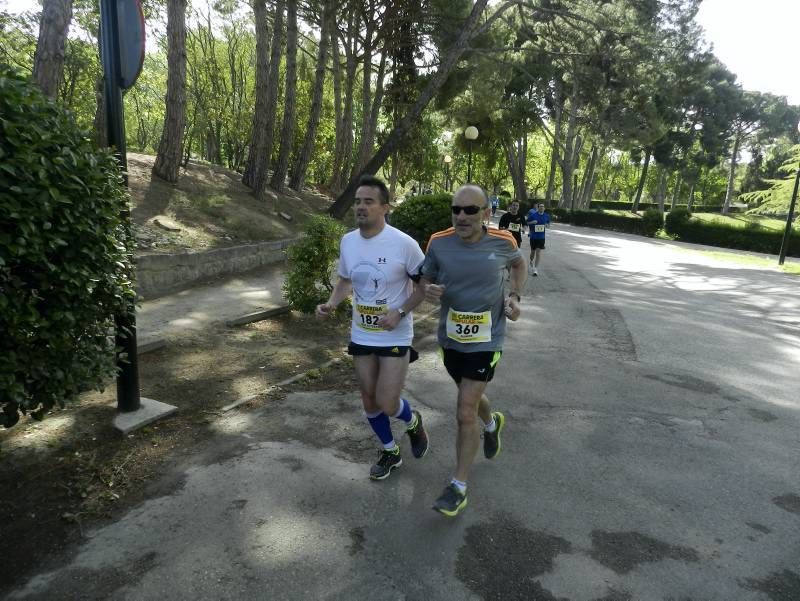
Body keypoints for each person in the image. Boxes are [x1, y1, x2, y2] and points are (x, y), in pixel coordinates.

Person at [419, 184, 527, 517]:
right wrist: (429, 291)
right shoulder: (439, 242)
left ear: (486, 213)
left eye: (470, 210)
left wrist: (515, 297)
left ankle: (458, 487)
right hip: (451, 339)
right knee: (472, 400)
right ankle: (492, 422)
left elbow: (519, 265)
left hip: (487, 339)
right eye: (456, 209)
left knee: (464, 411)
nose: (462, 216)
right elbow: (424, 280)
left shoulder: (504, 242)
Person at [316, 175, 429, 481]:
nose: (360, 207)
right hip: (362, 332)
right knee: (368, 398)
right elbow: (345, 280)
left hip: (395, 332)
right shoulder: (348, 241)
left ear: (385, 207)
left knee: (388, 401)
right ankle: (390, 450)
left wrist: (400, 311)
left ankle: (413, 420)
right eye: (357, 201)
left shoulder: (404, 244)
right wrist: (331, 303)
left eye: (368, 201)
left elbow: (423, 288)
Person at [526, 202, 550, 276]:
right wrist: (532, 222)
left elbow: (548, 224)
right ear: (538, 208)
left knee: (538, 252)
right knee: (532, 253)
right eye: (540, 206)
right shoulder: (533, 215)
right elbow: (526, 222)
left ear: (544, 208)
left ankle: (535, 269)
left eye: (543, 207)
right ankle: (531, 260)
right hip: (533, 237)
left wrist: (547, 225)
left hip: (541, 237)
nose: (542, 208)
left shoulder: (547, 216)